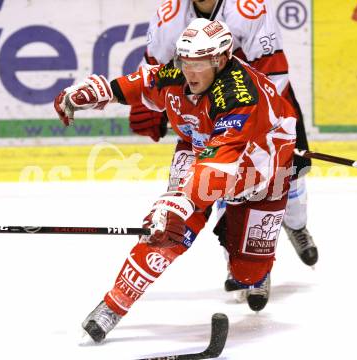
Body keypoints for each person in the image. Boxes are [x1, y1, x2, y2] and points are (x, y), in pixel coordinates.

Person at [54, 18, 297, 343]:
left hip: (261, 171)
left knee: (247, 273)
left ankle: (240, 243)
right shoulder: (178, 72)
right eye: (185, 62)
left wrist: (182, 199)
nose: (189, 72)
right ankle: (113, 305)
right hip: (205, 153)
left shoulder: (239, 97)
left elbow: (218, 167)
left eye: (199, 64)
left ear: (221, 60)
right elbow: (143, 83)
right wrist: (99, 92)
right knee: (167, 231)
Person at [128, 0, 318, 300]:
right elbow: (153, 71)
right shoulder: (169, 15)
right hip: (210, 114)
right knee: (221, 184)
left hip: (268, 107)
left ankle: (296, 225)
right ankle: (247, 267)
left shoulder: (247, 10)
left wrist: (262, 136)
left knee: (284, 177)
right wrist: (148, 105)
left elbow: (273, 73)